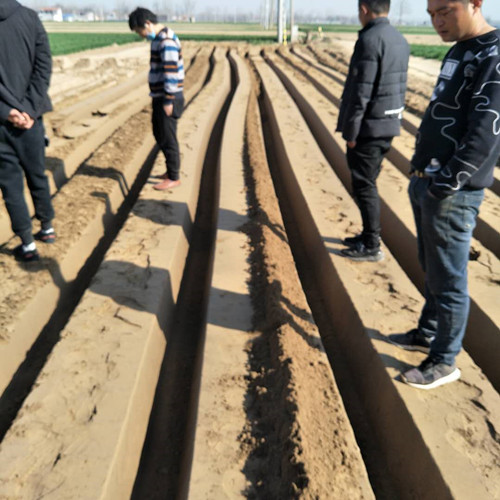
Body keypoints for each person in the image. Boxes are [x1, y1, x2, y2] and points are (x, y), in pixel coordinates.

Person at [389, 0, 500, 389]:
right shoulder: (458, 50)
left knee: (449, 279)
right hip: (428, 180)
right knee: (431, 265)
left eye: (445, 11)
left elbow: (485, 133)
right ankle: (428, 331)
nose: (437, 21)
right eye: (431, 14)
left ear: (475, 3)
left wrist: (445, 184)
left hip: (451, 192)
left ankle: (444, 360)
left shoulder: (493, 54)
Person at [337, 0, 410, 262]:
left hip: (369, 127)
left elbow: (362, 90)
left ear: (364, 9)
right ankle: (368, 235)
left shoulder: (369, 40)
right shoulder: (399, 39)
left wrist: (352, 132)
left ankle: (371, 244)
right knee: (368, 182)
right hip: (388, 123)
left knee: (364, 185)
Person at [0, 0, 55, 262]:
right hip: (32, 120)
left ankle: (27, 244)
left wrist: (7, 111)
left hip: (1, 123)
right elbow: (44, 66)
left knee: (11, 185)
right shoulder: (30, 18)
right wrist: (30, 110)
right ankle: (47, 228)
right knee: (37, 175)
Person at [128, 7, 184, 191]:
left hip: (168, 97)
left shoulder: (166, 41)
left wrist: (168, 100)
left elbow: (171, 73)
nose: (141, 35)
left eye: (140, 31)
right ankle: (170, 171)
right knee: (159, 133)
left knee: (168, 137)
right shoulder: (159, 39)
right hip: (160, 96)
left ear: (148, 24)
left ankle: (174, 177)